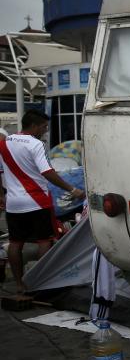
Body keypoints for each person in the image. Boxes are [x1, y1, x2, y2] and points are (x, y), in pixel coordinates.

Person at [0, 110, 85, 294]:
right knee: (44, 241)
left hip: (13, 203)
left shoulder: (5, 142)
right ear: (34, 125)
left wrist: (1, 195)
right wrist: (72, 189)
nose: (45, 131)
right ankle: (39, 283)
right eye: (44, 127)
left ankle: (19, 284)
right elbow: (47, 172)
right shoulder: (36, 144)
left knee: (15, 244)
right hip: (37, 201)